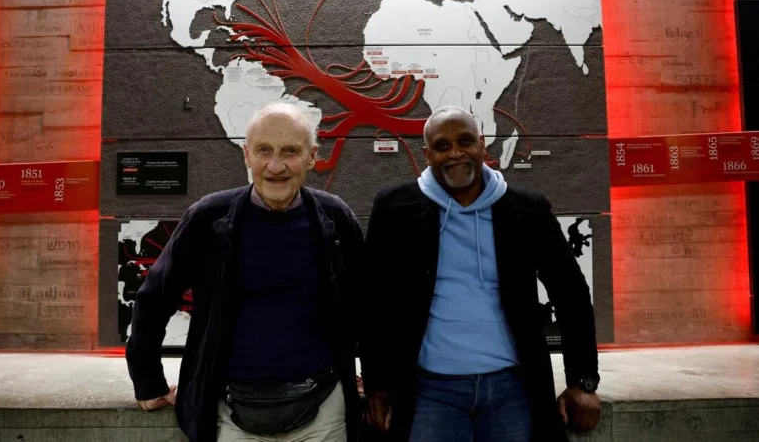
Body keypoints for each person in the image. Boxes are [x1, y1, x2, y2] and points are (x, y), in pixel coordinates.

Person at [360, 105, 601, 442]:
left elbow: (570, 293)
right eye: (442, 146)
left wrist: (583, 381)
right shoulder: (396, 208)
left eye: (465, 141)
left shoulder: (526, 209)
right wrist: (378, 387)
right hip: (430, 392)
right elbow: (373, 302)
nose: (455, 153)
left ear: (482, 144)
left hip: (511, 390)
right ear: (427, 155)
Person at [126, 102, 364, 442]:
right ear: (246, 155)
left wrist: (376, 384)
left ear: (312, 157)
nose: (276, 166)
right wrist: (149, 382)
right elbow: (154, 299)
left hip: (323, 413)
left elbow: (367, 305)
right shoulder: (208, 218)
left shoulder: (335, 218)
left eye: (290, 151)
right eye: (264, 150)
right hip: (231, 415)